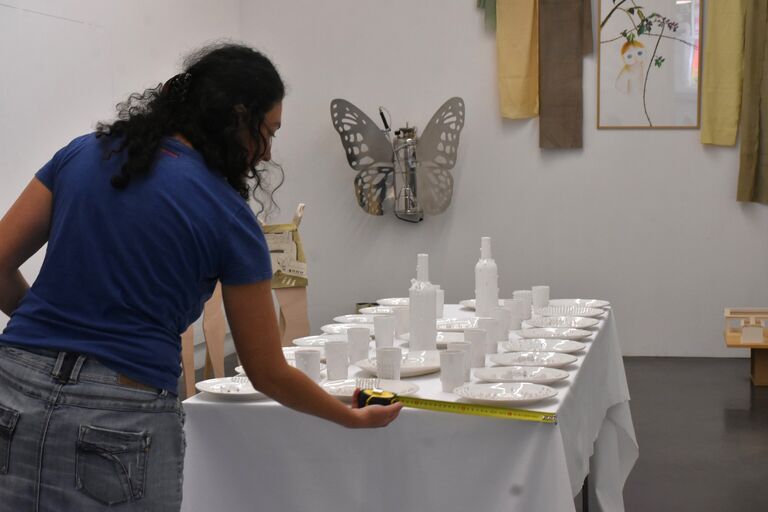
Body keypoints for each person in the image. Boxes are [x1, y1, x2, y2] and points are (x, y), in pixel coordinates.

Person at [0, 43, 401, 511]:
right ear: (235, 117)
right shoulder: (229, 216)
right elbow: (266, 372)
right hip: (121, 414)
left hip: (12, 386)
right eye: (266, 131)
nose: (267, 151)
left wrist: (46, 327)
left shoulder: (82, 154)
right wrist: (348, 418)